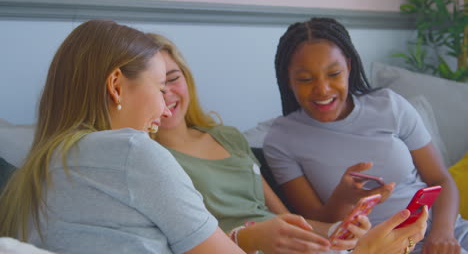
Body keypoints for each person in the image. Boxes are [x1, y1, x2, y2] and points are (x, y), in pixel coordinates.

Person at [149, 32, 428, 254]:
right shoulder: (148, 158)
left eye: (173, 78)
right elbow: (184, 239)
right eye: (153, 85)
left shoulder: (228, 137)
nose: (166, 93)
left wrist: (336, 230)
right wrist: (250, 238)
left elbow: (284, 217)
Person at [0, 20, 246, 254]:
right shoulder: (131, 152)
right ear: (116, 85)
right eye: (161, 89)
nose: (165, 109)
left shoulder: (31, 174)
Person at [263, 17, 468, 254]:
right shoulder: (281, 139)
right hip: (378, 246)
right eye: (305, 79)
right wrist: (343, 199)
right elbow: (315, 225)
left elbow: (441, 180)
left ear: (349, 67)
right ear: (288, 80)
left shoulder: (389, 105)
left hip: (442, 232)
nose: (322, 89)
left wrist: (443, 234)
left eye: (334, 74)